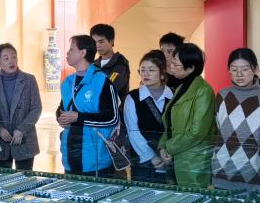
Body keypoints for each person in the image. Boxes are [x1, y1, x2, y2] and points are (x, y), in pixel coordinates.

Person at [213, 48, 260, 193]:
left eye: (245, 69)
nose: (239, 74)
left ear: (255, 69)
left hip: (256, 174)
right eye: (234, 69)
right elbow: (218, 132)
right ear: (228, 70)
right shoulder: (222, 96)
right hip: (222, 172)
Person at [57, 34, 119, 175]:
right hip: (70, 156)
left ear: (83, 53)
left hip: (95, 160)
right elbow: (62, 109)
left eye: (71, 49)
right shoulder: (68, 82)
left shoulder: (102, 81)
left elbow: (112, 118)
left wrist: (79, 117)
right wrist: (61, 119)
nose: (67, 53)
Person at [158, 42, 215, 188]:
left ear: (191, 68)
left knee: (193, 198)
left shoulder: (204, 90)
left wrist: (169, 147)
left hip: (194, 160)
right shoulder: (182, 86)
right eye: (172, 62)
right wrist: (162, 146)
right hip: (176, 156)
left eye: (176, 64)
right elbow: (170, 123)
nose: (171, 67)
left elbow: (197, 132)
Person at [123, 50, 173, 182]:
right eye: (142, 70)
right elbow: (133, 131)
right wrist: (152, 157)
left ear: (162, 73)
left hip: (170, 157)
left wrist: (169, 152)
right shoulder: (132, 97)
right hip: (142, 160)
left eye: (151, 70)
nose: (146, 74)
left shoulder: (174, 96)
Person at [0, 43, 42, 171]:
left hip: (25, 139)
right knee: (2, 179)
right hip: (1, 140)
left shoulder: (29, 80)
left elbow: (36, 108)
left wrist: (21, 130)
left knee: (25, 178)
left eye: (14, 57)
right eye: (6, 58)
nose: (11, 61)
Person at [90, 23, 130, 101]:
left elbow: (110, 87)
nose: (97, 46)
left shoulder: (121, 62)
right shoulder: (93, 64)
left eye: (101, 42)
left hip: (115, 107)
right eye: (94, 42)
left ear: (111, 41)